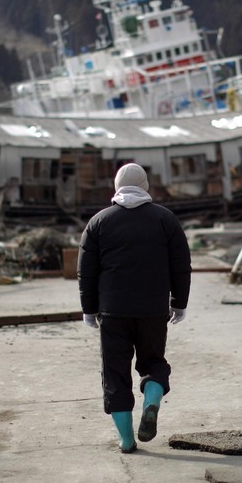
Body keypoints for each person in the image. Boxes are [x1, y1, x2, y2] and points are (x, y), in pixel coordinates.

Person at [78, 163, 192, 453]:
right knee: (153, 362)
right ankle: (151, 403)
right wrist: (179, 303)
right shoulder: (165, 220)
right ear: (145, 186)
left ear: (116, 187)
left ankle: (127, 441)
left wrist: (88, 309)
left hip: (113, 312)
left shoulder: (99, 222)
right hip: (153, 310)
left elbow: (87, 272)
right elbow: (181, 266)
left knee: (115, 374)